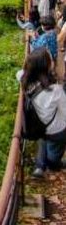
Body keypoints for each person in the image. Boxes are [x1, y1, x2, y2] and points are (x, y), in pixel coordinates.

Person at [22, 48, 66, 178]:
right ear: (46, 65)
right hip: (57, 133)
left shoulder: (25, 81)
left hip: (37, 127)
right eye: (50, 59)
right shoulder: (55, 91)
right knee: (54, 154)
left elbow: (19, 72)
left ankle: (39, 166)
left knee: (43, 135)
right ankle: (53, 164)